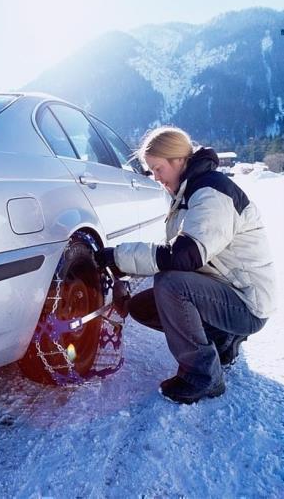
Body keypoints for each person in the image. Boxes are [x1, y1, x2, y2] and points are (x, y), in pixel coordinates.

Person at [95, 126, 276, 405]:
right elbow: (179, 255)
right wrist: (126, 267)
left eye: (158, 169)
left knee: (171, 285)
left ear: (178, 160)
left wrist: (117, 258)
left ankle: (204, 377)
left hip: (246, 301)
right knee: (143, 306)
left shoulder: (211, 191)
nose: (156, 178)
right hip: (225, 288)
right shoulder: (190, 190)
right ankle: (223, 340)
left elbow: (185, 256)